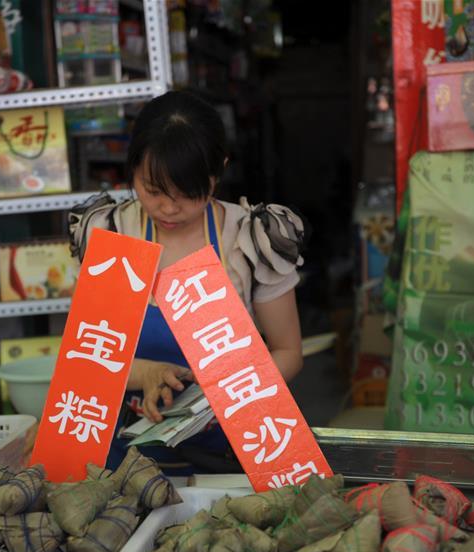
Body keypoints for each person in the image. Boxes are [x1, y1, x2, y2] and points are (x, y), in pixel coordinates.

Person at [69, 90, 306, 472]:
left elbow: (288, 352)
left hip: (227, 453)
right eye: (153, 190)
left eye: (188, 193)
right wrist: (146, 373)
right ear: (131, 171)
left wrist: (218, 390)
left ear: (217, 173)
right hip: (122, 461)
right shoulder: (111, 235)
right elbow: (85, 359)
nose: (168, 208)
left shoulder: (252, 238)